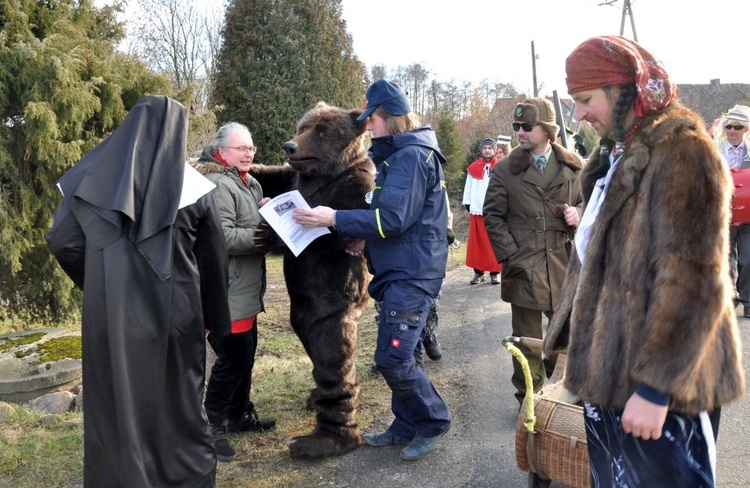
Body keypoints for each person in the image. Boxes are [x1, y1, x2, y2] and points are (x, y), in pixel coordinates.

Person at [544, 35, 745, 487]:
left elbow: (695, 283)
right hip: (612, 381)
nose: (579, 115)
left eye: (585, 100)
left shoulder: (685, 153)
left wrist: (656, 389)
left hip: (667, 389)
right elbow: (592, 264)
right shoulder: (617, 153)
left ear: (626, 91)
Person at [45, 95, 232, 487]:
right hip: (178, 315)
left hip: (110, 315)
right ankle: (184, 478)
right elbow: (214, 262)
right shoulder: (195, 187)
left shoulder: (90, 180)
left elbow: (63, 242)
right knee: (178, 402)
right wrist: (216, 320)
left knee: (116, 403)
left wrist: (97, 283)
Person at [293, 79, 452, 461]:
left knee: (393, 359)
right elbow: (399, 219)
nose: (369, 126)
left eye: (373, 119)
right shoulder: (400, 154)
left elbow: (394, 218)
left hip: (412, 273)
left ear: (390, 118)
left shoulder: (411, 156)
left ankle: (433, 419)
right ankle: (404, 424)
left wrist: (334, 218)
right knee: (402, 354)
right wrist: (366, 239)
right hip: (399, 267)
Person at [483, 97, 583, 404]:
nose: (520, 132)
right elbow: (493, 215)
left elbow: (588, 203)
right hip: (524, 263)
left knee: (564, 335)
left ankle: (559, 393)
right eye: (517, 126)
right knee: (527, 340)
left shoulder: (573, 167)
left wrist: (578, 213)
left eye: (527, 126)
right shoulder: (505, 170)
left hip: (564, 262)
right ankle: (529, 398)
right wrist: (511, 254)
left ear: (548, 130)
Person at [194, 122, 275, 463]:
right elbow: (221, 238)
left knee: (246, 352)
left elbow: (248, 220)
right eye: (241, 148)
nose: (249, 153)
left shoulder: (249, 181)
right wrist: (263, 234)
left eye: (251, 147)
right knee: (233, 359)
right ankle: (211, 429)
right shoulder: (216, 184)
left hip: (244, 289)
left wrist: (267, 211)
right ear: (222, 151)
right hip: (225, 291)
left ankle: (239, 414)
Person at [714, 105, 750, 317]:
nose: (733, 130)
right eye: (729, 126)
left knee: (748, 259)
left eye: (738, 126)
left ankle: (748, 300)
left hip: (748, 217)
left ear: (746, 129)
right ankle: (728, 299)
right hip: (723, 215)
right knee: (725, 261)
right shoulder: (715, 152)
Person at [462, 138, 503, 285]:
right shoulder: (474, 167)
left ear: (494, 150)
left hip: (495, 211)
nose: (487, 150)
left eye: (489, 148)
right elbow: (468, 186)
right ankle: (478, 272)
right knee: (478, 243)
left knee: (494, 242)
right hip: (477, 210)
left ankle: (495, 272)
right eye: (484, 148)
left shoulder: (500, 166)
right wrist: (467, 202)